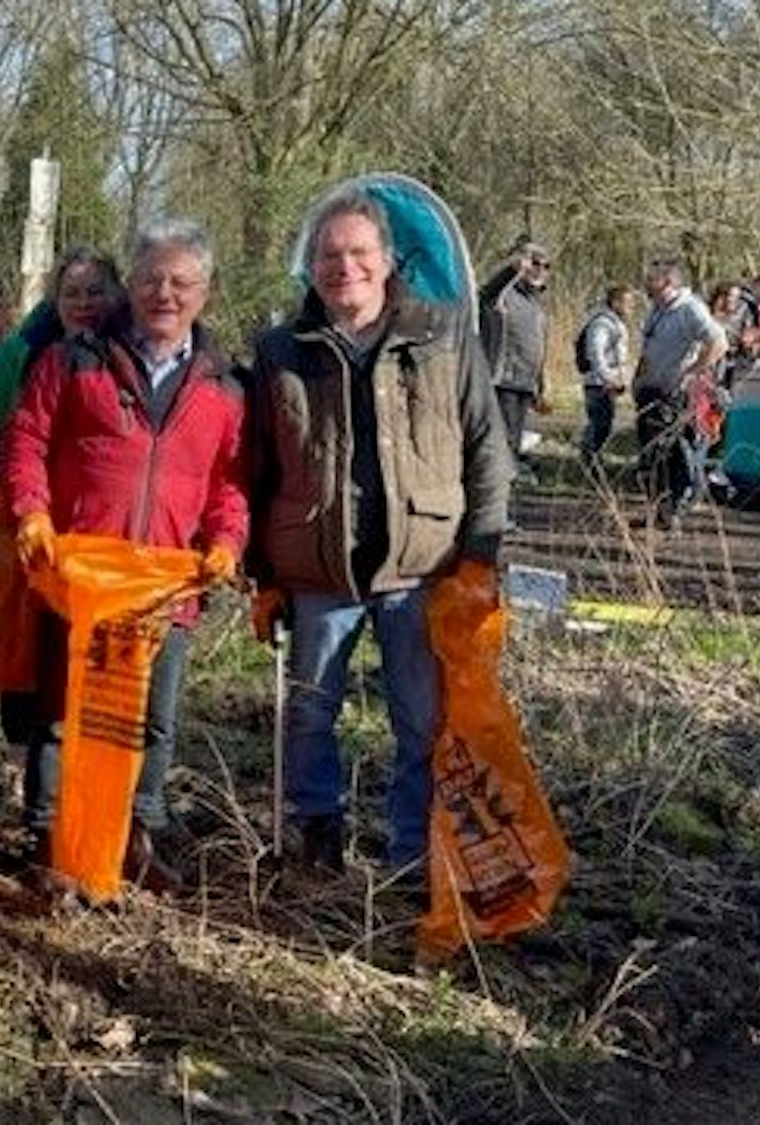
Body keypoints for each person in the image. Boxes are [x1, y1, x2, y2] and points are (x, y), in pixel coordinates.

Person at [246, 185, 512, 875]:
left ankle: (410, 855)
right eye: (329, 256)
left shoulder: (444, 335)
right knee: (308, 716)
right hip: (316, 568)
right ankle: (315, 838)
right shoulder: (280, 350)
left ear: (388, 260)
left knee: (421, 721)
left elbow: (487, 449)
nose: (345, 267)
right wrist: (260, 573)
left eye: (360, 252)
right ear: (311, 267)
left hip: (422, 566)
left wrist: (481, 554)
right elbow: (256, 466)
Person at [0, 219, 248, 897]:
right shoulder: (74, 360)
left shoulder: (225, 387)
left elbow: (230, 481)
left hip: (166, 586)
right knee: (63, 712)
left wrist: (227, 540)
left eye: (181, 282)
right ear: (129, 285)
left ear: (205, 291)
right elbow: (26, 439)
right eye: (151, 279)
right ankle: (49, 837)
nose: (165, 294)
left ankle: (137, 833)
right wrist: (32, 510)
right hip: (81, 574)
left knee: (152, 719)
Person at [0, 246, 123, 577]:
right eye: (71, 293)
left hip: (97, 540)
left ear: (116, 295)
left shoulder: (136, 363)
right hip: (11, 533)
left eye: (95, 292)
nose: (83, 303)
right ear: (55, 300)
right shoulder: (16, 358)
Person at [634, 259, 728, 531]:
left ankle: (673, 512)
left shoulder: (690, 309)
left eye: (653, 279)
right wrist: (637, 379)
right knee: (651, 457)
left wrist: (692, 372)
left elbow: (718, 342)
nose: (647, 285)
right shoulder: (657, 310)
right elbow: (648, 348)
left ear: (668, 282)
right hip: (650, 391)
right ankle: (657, 511)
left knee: (674, 455)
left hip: (674, 395)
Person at [478, 241, 551, 479]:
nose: (540, 270)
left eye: (546, 265)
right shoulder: (503, 295)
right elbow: (487, 293)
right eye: (535, 263)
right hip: (503, 379)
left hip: (526, 382)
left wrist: (541, 385)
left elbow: (539, 346)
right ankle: (499, 483)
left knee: (515, 438)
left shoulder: (538, 305)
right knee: (503, 438)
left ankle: (508, 479)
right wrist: (512, 270)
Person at [576, 285, 635, 464]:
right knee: (599, 425)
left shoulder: (615, 323)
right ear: (616, 303)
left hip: (607, 382)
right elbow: (596, 354)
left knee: (604, 424)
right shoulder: (602, 324)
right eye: (628, 302)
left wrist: (622, 378)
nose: (632, 307)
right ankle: (590, 460)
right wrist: (608, 378)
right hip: (598, 383)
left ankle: (592, 459)